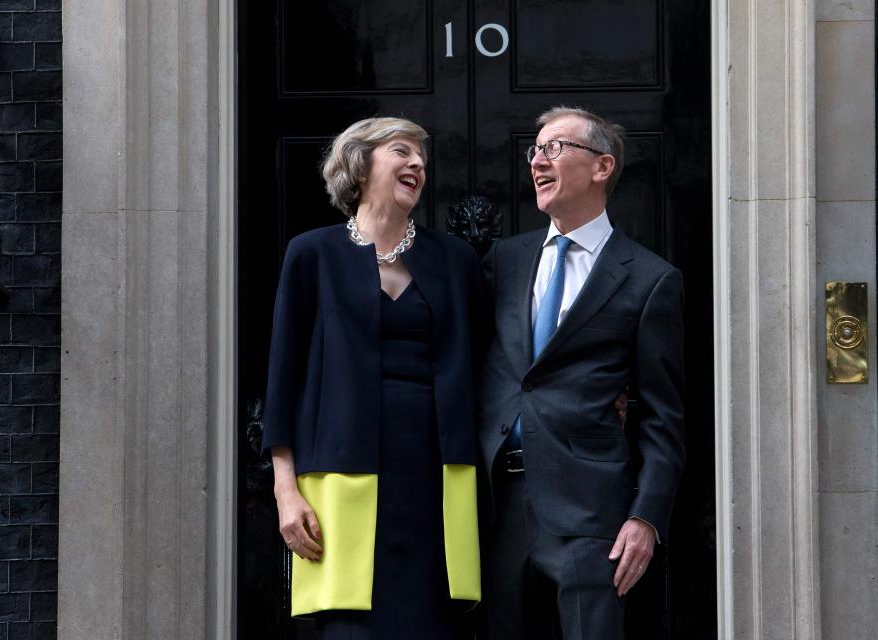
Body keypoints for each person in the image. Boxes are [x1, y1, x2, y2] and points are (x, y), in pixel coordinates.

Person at [261, 117, 483, 639]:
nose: (418, 165)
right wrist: (284, 491)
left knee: (434, 622)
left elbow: (494, 360)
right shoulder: (312, 253)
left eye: (421, 158)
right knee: (350, 626)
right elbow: (282, 378)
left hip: (436, 478)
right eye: (402, 152)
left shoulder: (455, 260)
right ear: (360, 165)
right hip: (340, 477)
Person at [478, 107, 685, 640]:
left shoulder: (650, 279)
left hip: (591, 514)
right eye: (535, 150)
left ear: (601, 167)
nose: (538, 162)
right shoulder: (504, 260)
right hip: (496, 509)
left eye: (555, 148)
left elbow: (664, 417)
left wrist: (646, 518)